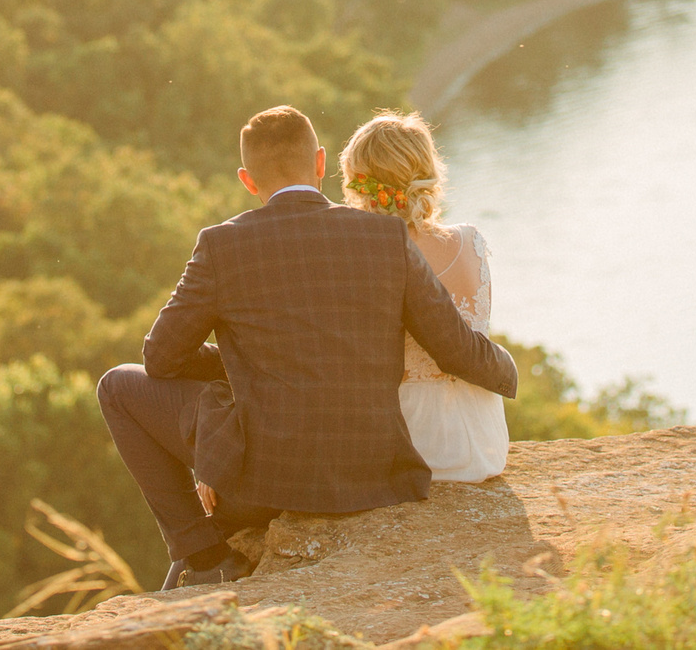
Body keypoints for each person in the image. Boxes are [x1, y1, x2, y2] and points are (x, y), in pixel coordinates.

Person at [96, 105, 517, 590]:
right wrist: (508, 372)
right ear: (319, 162)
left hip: (266, 486)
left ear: (247, 181)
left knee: (117, 387)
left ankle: (205, 557)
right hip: (375, 474)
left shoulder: (220, 245)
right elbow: (454, 349)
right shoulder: (385, 237)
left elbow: (161, 358)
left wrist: (244, 367)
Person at [339, 111, 509, 483]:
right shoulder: (470, 242)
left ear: (361, 185)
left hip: (414, 441)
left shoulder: (365, 257)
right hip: (484, 438)